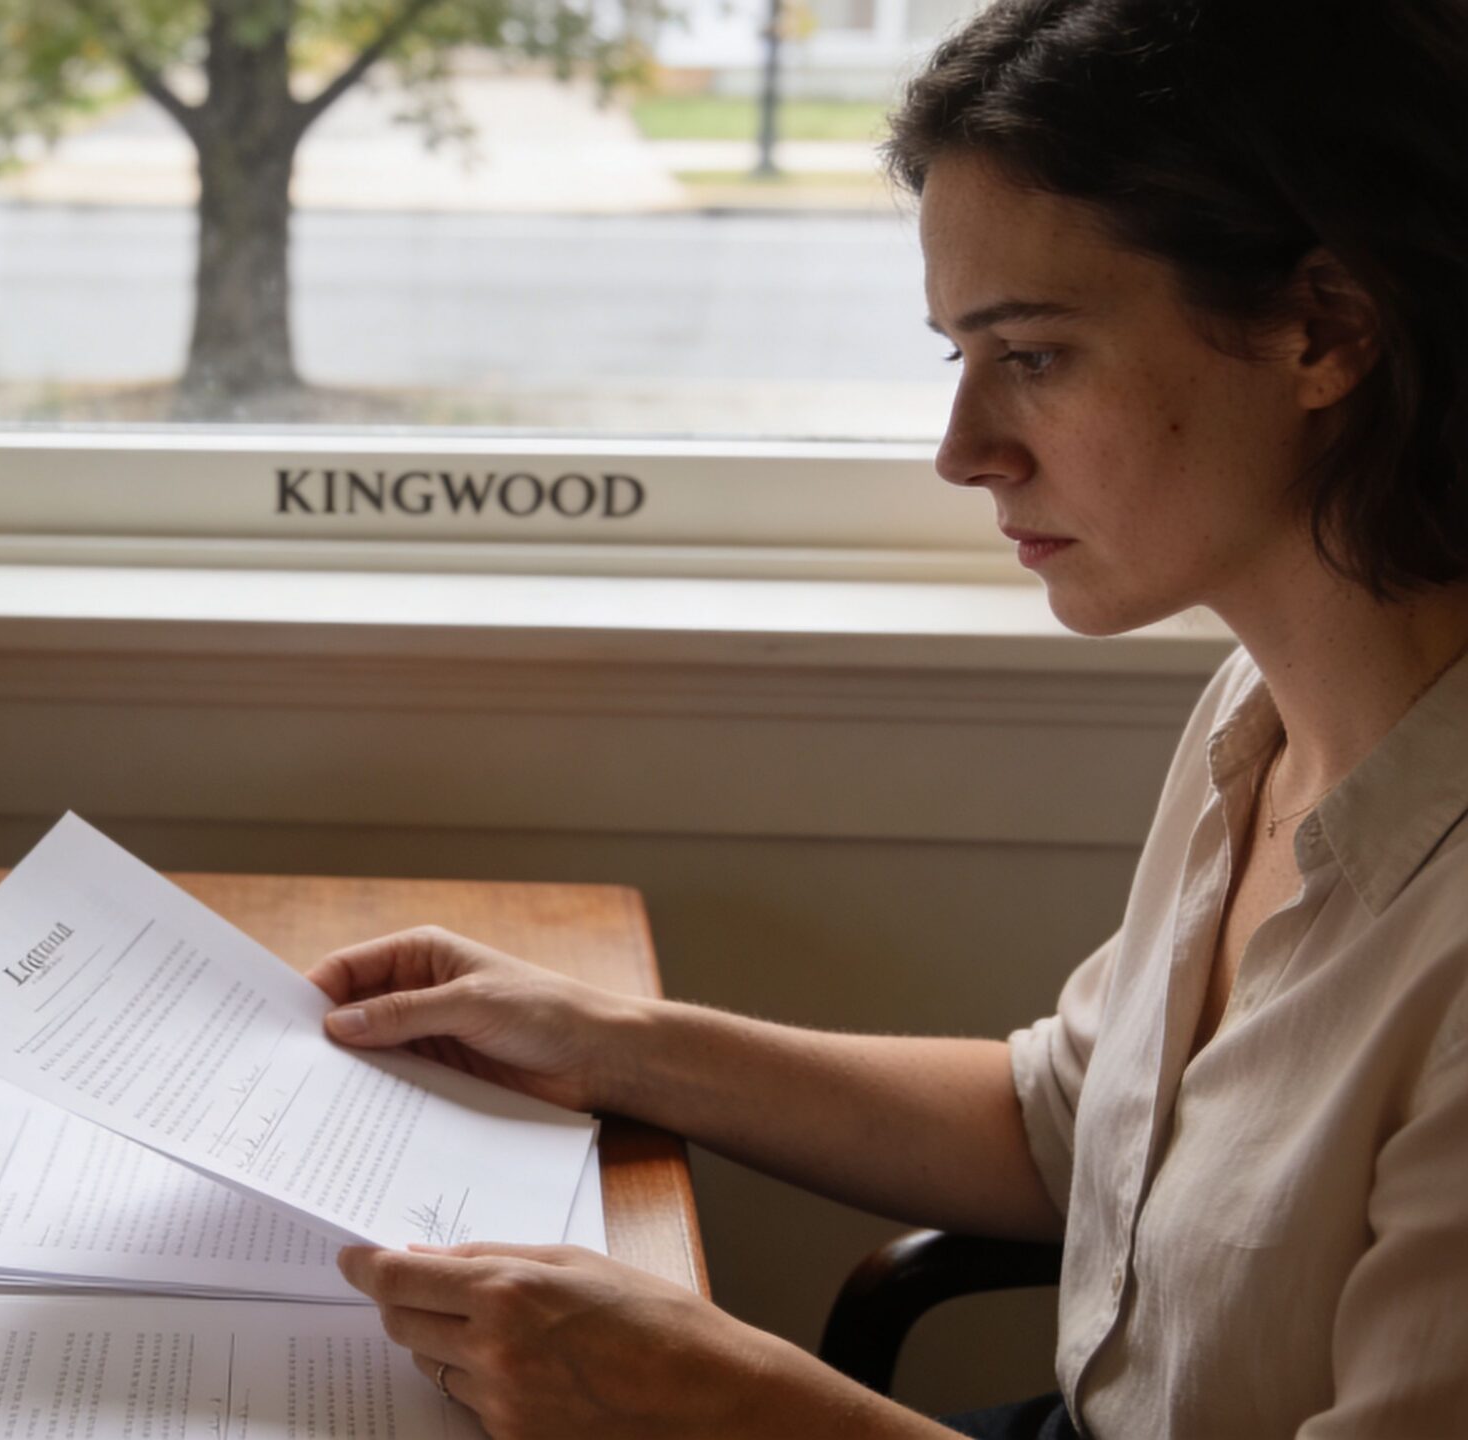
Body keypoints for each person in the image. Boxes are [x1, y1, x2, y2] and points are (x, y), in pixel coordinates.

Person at [319, 1, 1468, 1436]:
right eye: (958, 360)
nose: (962, 451)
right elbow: (1068, 1121)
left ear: (1324, 328)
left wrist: (727, 1399)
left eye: (1034, 355)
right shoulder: (1265, 706)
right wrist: (601, 1034)